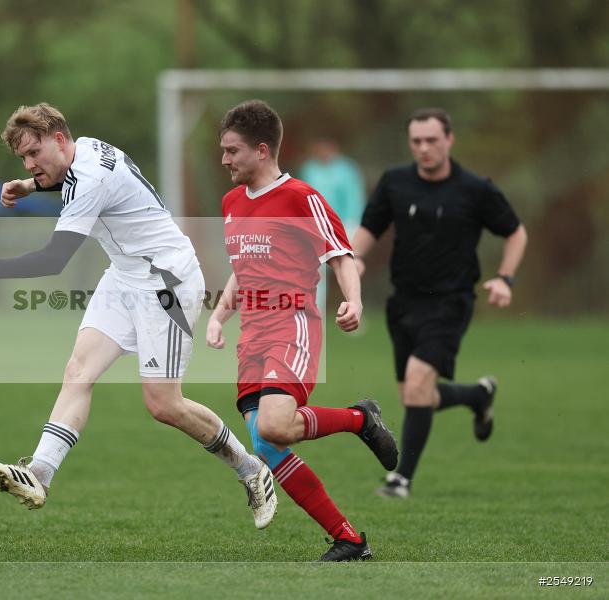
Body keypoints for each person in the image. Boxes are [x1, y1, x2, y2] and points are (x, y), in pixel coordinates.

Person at [0, 103, 277, 528]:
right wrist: (31, 184)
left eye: (34, 154)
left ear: (59, 139)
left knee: (164, 404)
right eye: (23, 158)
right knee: (78, 370)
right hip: (124, 277)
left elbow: (54, 259)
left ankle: (251, 470)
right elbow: (69, 177)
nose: (30, 163)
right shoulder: (84, 149)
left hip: (167, 283)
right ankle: (40, 474)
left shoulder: (89, 178)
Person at [205, 100, 398, 561]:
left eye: (232, 151)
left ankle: (359, 419)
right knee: (265, 444)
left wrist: (353, 299)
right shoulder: (231, 203)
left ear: (262, 150)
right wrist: (218, 316)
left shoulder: (300, 198)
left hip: (292, 324)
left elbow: (340, 254)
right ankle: (349, 539)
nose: (225, 160)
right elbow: (243, 268)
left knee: (273, 425)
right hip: (251, 334)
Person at [352, 108, 528, 498]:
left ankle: (401, 480)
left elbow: (515, 233)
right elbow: (369, 228)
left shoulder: (475, 189)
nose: (424, 148)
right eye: (416, 141)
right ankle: (478, 396)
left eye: (432, 140)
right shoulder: (395, 182)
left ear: (449, 140)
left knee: (417, 385)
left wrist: (505, 278)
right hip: (404, 303)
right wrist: (354, 259)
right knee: (416, 395)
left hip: (451, 302)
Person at [299, 137, 366, 315]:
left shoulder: (346, 169)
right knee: (314, 268)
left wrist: (352, 228)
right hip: (317, 226)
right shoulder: (310, 168)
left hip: (345, 225)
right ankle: (314, 311)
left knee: (347, 266)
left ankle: (353, 308)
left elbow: (354, 199)